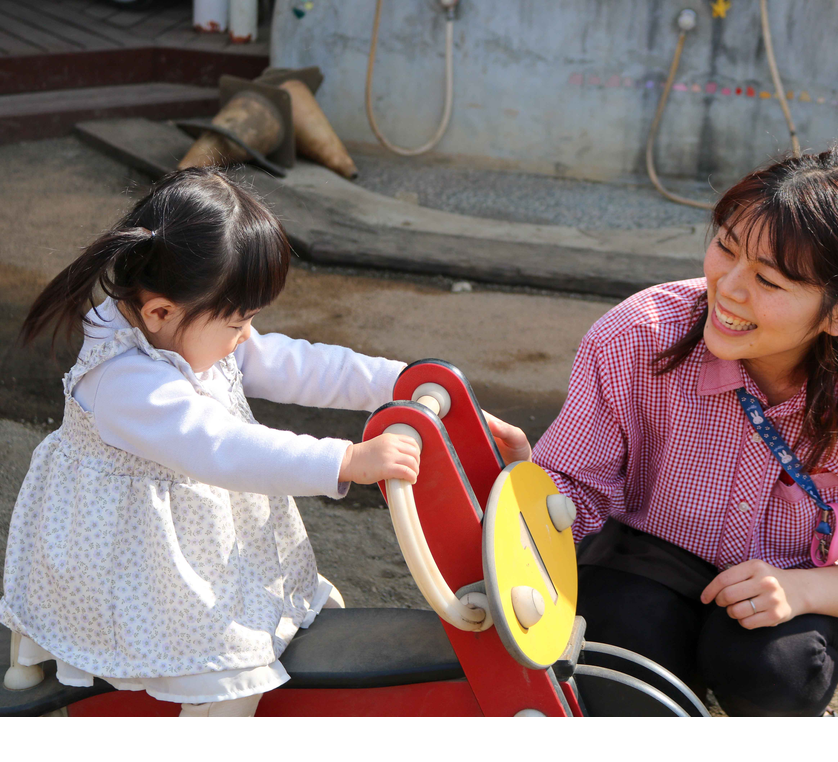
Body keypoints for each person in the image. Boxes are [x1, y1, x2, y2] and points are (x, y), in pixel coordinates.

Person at [0, 168, 501, 717]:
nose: (245, 338)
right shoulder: (125, 383)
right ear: (160, 311)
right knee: (231, 672)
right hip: (137, 560)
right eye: (238, 323)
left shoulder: (180, 325)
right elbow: (222, 447)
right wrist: (347, 459)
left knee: (283, 610)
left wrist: (394, 381)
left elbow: (297, 363)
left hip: (195, 531)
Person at [523, 146, 838, 717]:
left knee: (773, 670)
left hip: (794, 592)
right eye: (725, 247)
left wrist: (800, 591)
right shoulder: (636, 336)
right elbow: (570, 490)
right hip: (645, 562)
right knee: (618, 661)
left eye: (768, 281)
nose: (728, 289)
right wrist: (519, 503)